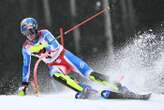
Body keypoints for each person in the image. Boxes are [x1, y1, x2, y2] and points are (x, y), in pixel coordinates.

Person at [18, 17, 119, 98]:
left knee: (90, 74)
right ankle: (84, 89)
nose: (29, 35)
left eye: (30, 31)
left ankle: (118, 86)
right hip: (53, 64)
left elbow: (55, 46)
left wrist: (42, 47)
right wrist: (24, 84)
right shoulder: (26, 47)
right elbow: (26, 66)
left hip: (64, 56)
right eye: (26, 33)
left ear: (35, 28)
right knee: (55, 75)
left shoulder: (44, 33)